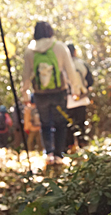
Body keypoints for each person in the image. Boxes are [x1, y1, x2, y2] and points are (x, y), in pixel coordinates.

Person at [22, 22, 83, 165]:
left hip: (40, 94)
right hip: (59, 92)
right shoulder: (59, 47)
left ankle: (48, 153)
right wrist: (75, 90)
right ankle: (58, 155)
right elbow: (70, 70)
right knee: (61, 123)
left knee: (45, 124)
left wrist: (25, 95)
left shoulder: (30, 51)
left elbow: (26, 76)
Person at [66, 43, 93, 150]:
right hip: (82, 99)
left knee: (69, 125)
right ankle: (83, 145)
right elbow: (90, 81)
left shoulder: (63, 67)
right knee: (81, 122)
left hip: (68, 101)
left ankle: (71, 146)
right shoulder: (82, 64)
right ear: (75, 52)